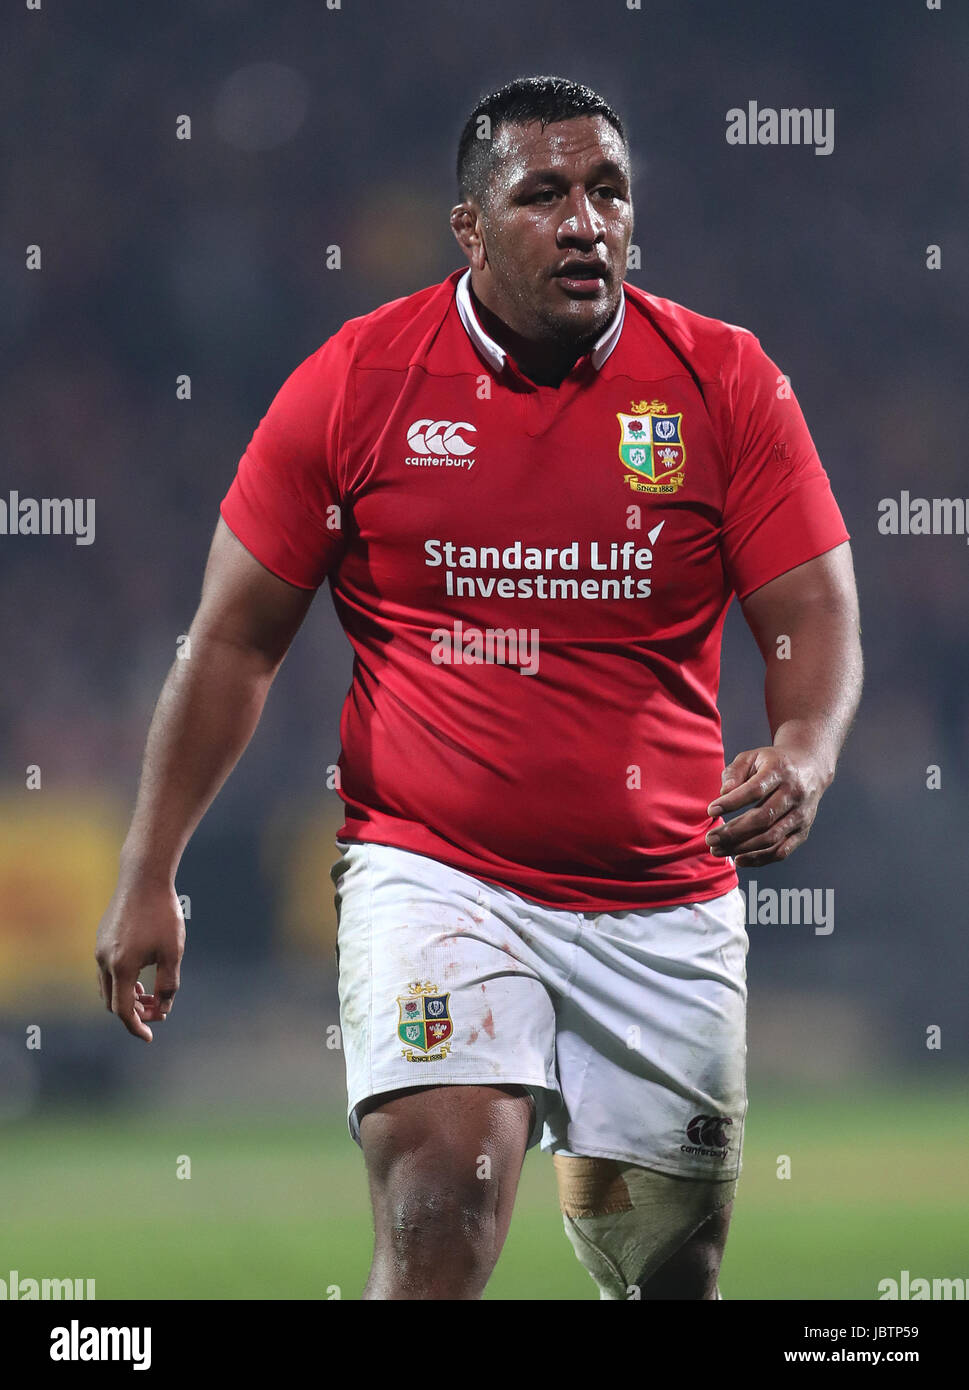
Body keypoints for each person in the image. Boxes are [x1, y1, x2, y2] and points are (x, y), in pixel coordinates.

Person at [95, 75, 863, 1301]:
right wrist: (148, 874)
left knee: (670, 1273)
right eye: (543, 194)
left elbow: (811, 607)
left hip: (663, 899)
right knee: (443, 1204)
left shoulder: (722, 382)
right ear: (468, 226)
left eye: (608, 191)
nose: (584, 223)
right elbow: (232, 642)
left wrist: (807, 750)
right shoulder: (359, 383)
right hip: (437, 874)